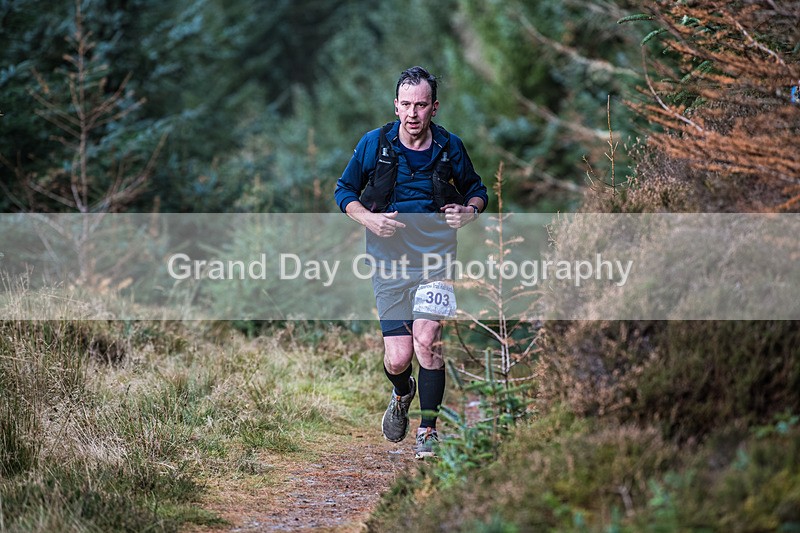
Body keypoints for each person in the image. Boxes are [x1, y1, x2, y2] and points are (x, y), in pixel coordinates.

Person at [334, 66, 488, 458]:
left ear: (434, 107)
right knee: (399, 357)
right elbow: (344, 191)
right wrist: (368, 218)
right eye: (406, 105)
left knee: (428, 342)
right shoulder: (375, 143)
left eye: (421, 105)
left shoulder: (450, 146)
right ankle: (402, 394)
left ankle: (428, 430)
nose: (413, 114)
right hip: (388, 263)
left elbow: (477, 189)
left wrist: (469, 211)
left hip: (437, 259)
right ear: (396, 105)